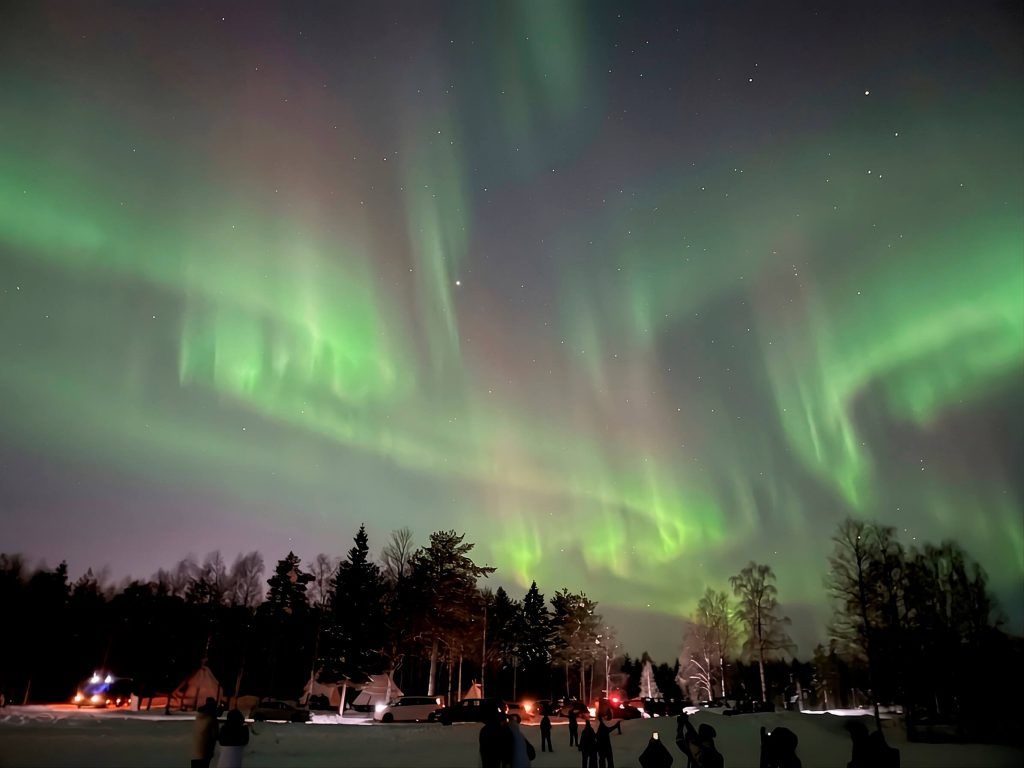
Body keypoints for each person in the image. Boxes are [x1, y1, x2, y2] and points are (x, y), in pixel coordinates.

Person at [192, 697, 219, 768]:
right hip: (206, 750)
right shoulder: (211, 719)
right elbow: (215, 735)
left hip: (195, 750)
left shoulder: (199, 717)